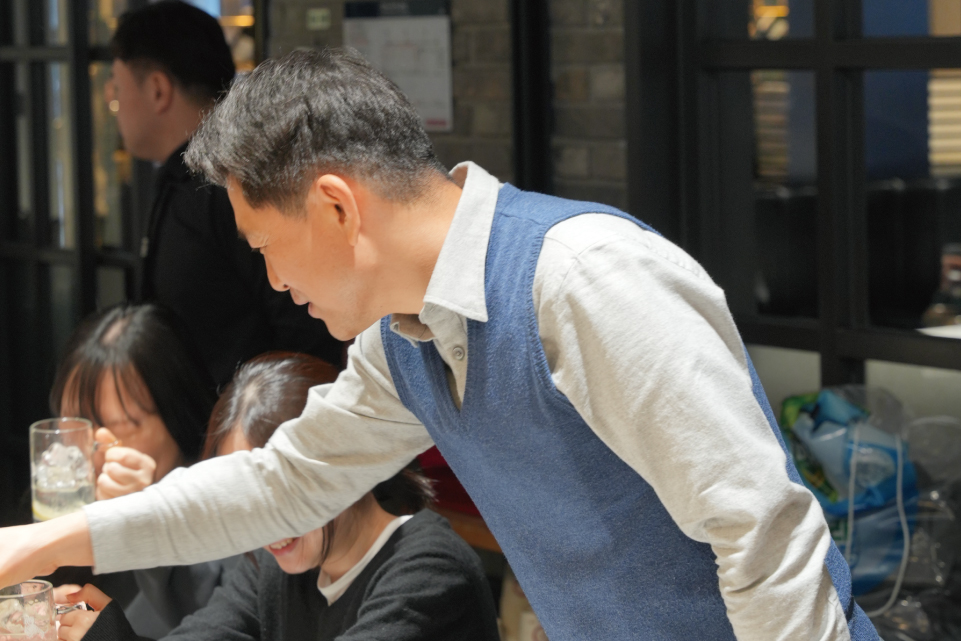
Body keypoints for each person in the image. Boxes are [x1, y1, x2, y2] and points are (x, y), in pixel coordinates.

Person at [0, 48, 880, 641]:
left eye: (266, 246)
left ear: (336, 206)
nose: (272, 281)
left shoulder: (580, 276)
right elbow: (279, 483)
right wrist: (41, 545)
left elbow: (762, 534)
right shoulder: (406, 337)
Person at [55, 352, 501, 641]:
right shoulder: (277, 568)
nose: (259, 519)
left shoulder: (430, 570)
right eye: (239, 497)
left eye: (267, 492)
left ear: (331, 463)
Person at [109, 1, 341, 385]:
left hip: (260, 415)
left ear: (158, 90)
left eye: (117, 89)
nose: (113, 104)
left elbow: (305, 327)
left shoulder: (233, 180)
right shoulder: (178, 179)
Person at [49, 304, 232, 638]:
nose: (93, 447)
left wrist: (143, 518)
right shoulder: (59, 492)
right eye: (76, 424)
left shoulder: (228, 503)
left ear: (177, 415)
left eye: (120, 425)